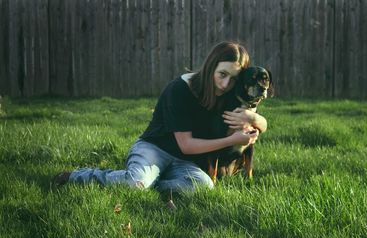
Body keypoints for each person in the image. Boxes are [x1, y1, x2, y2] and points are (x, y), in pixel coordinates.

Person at [52, 41, 267, 193]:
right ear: (211, 67)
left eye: (233, 78)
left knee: (203, 187)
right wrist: (232, 141)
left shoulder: (229, 94)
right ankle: (77, 176)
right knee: (134, 183)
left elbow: (262, 125)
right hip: (155, 149)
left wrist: (253, 118)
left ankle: (150, 183)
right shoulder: (180, 89)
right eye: (222, 74)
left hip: (184, 162)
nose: (225, 84)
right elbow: (186, 145)